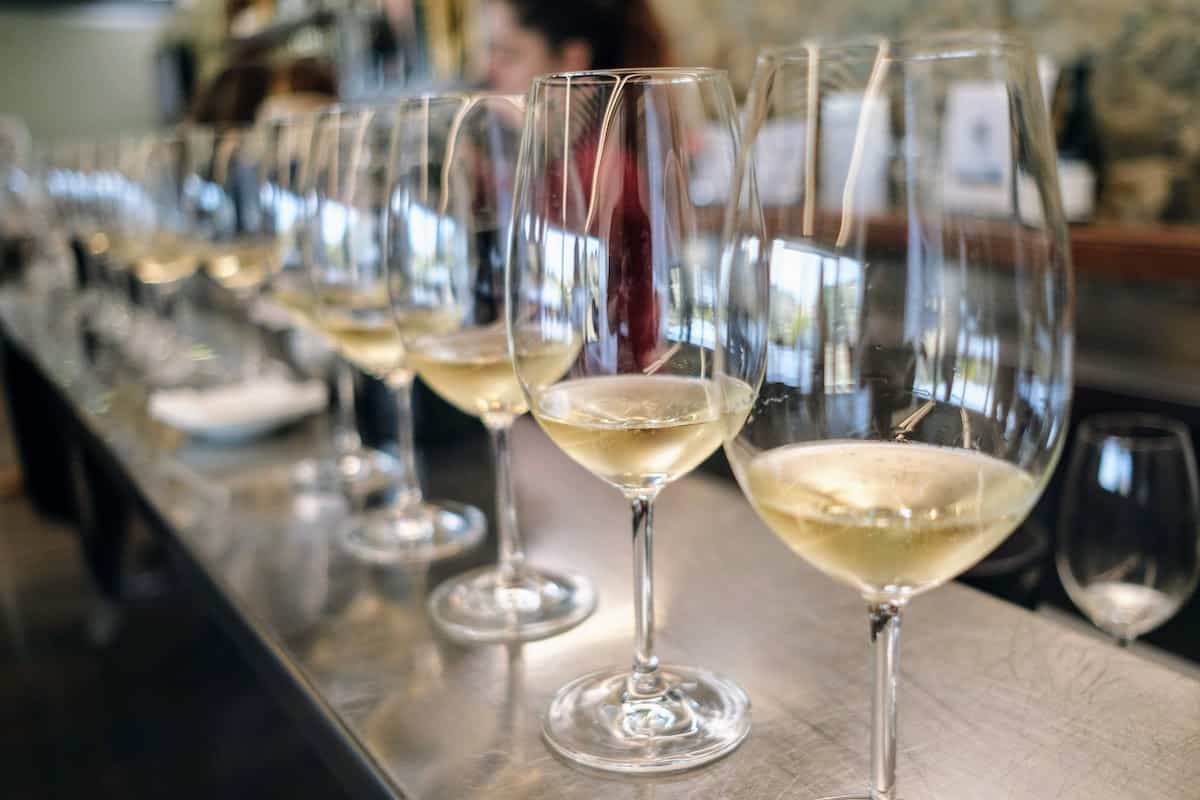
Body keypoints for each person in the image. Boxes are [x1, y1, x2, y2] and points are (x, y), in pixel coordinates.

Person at [484, 0, 672, 93]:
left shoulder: (614, 165)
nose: (487, 72)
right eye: (489, 51)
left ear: (572, 62)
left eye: (508, 54)